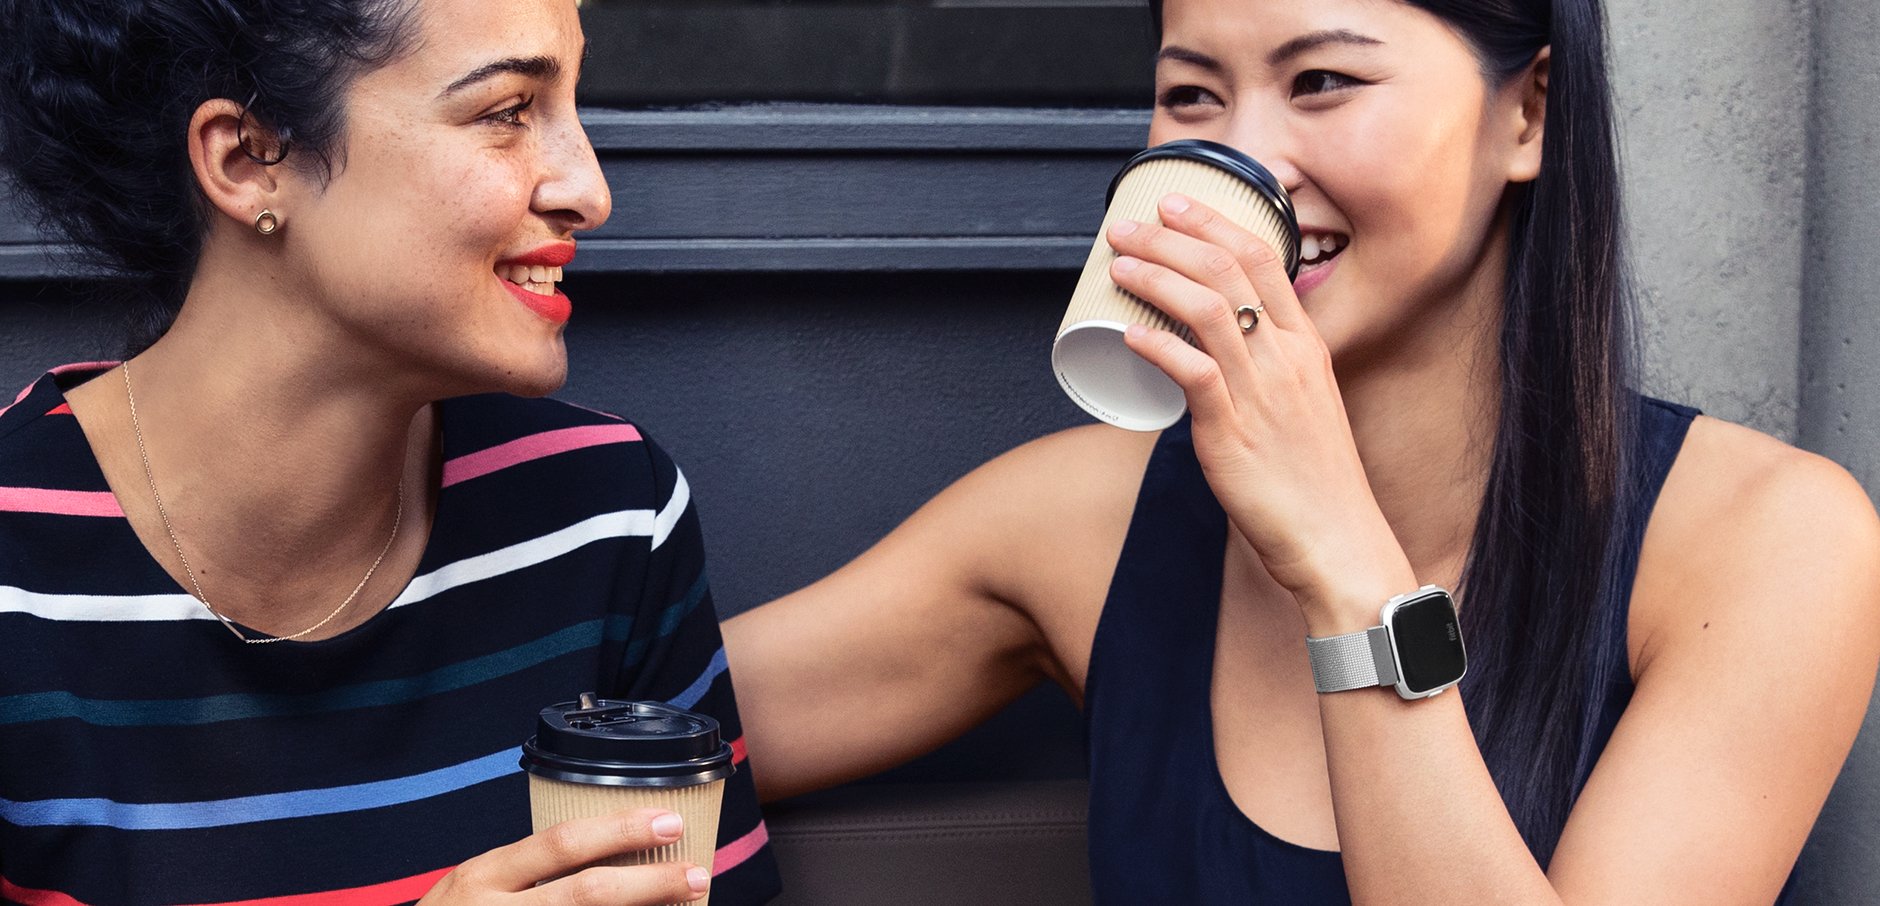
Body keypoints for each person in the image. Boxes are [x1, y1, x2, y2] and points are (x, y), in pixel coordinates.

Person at [724, 0, 1880, 902]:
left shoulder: (1767, 542)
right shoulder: (1075, 523)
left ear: (1525, 115)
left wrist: (1343, 565)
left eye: (1321, 80)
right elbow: (654, 726)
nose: (1243, 167)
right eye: (1189, 95)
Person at [0, 1, 779, 903]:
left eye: (571, 103)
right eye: (507, 111)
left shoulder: (605, 516)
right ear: (248, 160)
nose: (590, 191)